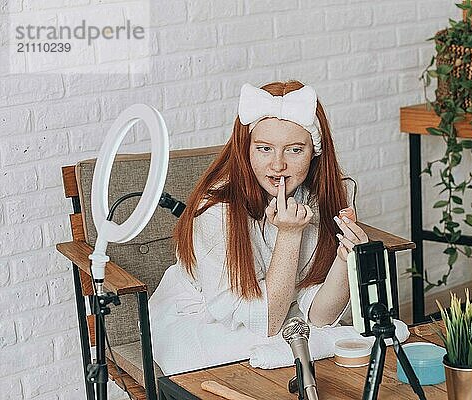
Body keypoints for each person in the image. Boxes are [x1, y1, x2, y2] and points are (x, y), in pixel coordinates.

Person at [149, 80, 369, 375]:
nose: (277, 165)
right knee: (286, 353)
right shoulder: (216, 211)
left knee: (324, 344)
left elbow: (319, 317)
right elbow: (266, 322)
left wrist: (345, 259)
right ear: (246, 148)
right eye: (264, 148)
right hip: (209, 322)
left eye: (294, 150)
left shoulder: (317, 199)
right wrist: (290, 235)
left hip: (279, 316)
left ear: (315, 151)